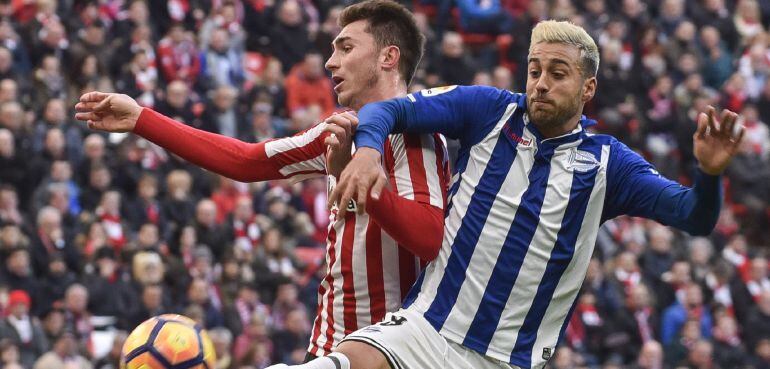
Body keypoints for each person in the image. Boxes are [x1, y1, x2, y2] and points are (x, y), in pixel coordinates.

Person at [278, 20, 744, 369]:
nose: (540, 83)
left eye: (557, 73)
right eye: (534, 69)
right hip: (428, 329)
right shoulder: (488, 111)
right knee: (346, 359)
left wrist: (709, 172)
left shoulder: (609, 165)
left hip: (508, 358)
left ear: (588, 89)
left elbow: (694, 216)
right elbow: (388, 111)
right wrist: (367, 152)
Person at [74, 0, 449, 362]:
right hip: (329, 344)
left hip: (393, 350)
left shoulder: (417, 137)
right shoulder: (338, 130)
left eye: (346, 48)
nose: (330, 61)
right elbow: (245, 161)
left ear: (388, 57)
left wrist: (358, 181)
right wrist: (141, 119)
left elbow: (431, 238)